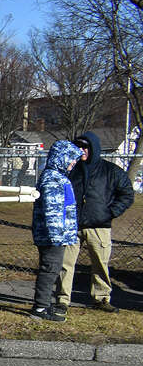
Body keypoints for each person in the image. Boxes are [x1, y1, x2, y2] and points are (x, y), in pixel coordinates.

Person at [56, 131, 134, 314]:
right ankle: (62, 300)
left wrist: (110, 212)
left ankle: (101, 298)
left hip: (99, 227)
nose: (82, 151)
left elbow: (127, 194)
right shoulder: (69, 169)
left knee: (100, 264)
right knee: (65, 264)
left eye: (86, 147)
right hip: (71, 226)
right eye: (78, 147)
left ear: (94, 149)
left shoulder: (111, 171)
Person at [30, 139, 82, 321]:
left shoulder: (58, 178)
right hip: (53, 237)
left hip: (59, 235)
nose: (73, 163)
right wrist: (56, 236)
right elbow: (53, 210)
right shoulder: (52, 179)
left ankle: (43, 304)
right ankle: (40, 308)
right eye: (71, 158)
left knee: (53, 268)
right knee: (50, 268)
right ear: (61, 157)